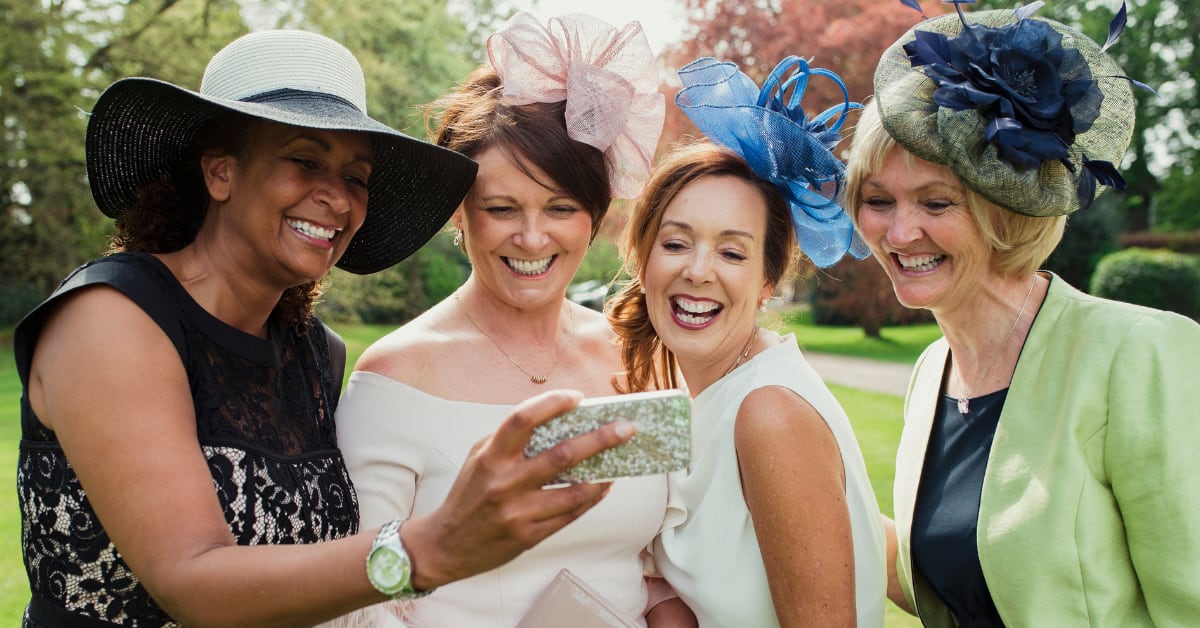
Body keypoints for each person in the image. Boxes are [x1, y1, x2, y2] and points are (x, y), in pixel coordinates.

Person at [13, 29, 639, 627]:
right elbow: (190, 580)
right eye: (304, 161)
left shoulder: (312, 354)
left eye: (354, 177)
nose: (336, 198)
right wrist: (427, 549)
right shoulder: (112, 318)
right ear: (220, 171)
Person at [843, 3, 1200, 625]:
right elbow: (950, 580)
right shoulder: (932, 372)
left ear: (1004, 211)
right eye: (878, 201)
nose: (899, 233)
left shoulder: (1138, 353)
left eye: (936, 203)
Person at [330, 12, 670, 627]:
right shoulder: (397, 375)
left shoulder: (631, 359)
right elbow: (356, 605)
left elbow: (653, 560)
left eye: (560, 208)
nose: (533, 238)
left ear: (593, 217)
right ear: (459, 213)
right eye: (502, 208)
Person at [608, 56, 886, 627]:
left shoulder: (768, 412)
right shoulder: (693, 395)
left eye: (732, 252)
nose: (698, 271)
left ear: (766, 283)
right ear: (643, 258)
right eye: (676, 243)